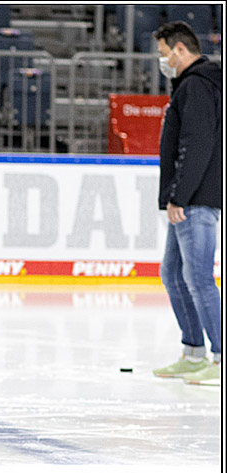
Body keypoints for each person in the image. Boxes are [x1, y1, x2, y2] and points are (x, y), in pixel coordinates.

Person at [151, 21, 222, 386]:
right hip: (186, 198)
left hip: (195, 199)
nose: (161, 61)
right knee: (173, 274)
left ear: (180, 49)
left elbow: (197, 145)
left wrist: (179, 195)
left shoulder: (196, 85)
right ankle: (193, 351)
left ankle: (219, 357)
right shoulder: (192, 86)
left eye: (163, 54)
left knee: (197, 278)